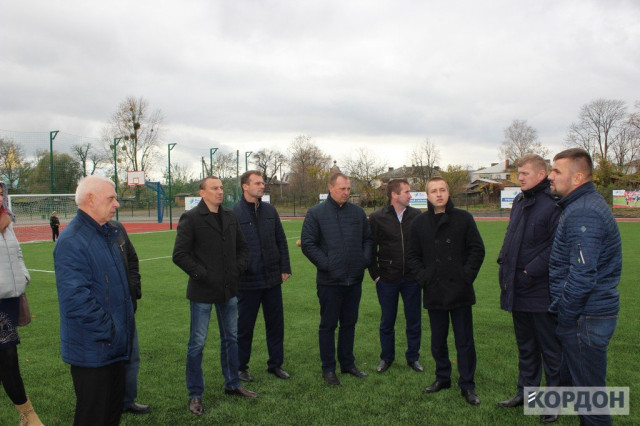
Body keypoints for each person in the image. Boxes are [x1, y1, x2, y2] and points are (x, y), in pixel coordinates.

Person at [54, 175, 135, 426]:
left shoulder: (108, 234)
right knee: (93, 417)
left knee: (111, 414)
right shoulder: (73, 240)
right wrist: (111, 330)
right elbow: (76, 300)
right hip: (94, 349)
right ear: (91, 200)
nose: (116, 204)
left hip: (113, 347)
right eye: (111, 198)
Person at [548, 148, 621, 426]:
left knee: (591, 402)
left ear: (577, 177)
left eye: (557, 171)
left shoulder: (584, 212)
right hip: (586, 315)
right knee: (584, 393)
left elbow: (582, 276)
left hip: (585, 317)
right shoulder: (581, 206)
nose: (551, 176)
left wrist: (565, 317)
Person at [173, 176, 255, 417]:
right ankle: (195, 394)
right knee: (197, 344)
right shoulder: (191, 218)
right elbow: (179, 254)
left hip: (229, 290)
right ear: (202, 192)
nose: (220, 191)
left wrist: (237, 268)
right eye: (214, 188)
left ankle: (232, 384)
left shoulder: (229, 215)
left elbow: (243, 247)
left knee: (231, 338)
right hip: (203, 291)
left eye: (221, 187)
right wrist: (202, 274)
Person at [407, 177, 485, 405]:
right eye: (434, 191)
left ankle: (467, 384)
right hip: (435, 289)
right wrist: (424, 278)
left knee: (464, 341)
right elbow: (412, 256)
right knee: (438, 340)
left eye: (442, 190)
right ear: (427, 195)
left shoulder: (464, 218)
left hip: (460, 290)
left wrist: (465, 276)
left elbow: (477, 250)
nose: (439, 194)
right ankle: (442, 377)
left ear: (448, 193)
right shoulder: (419, 223)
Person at [496, 155, 562, 424]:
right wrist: (503, 261)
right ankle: (525, 394)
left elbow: (556, 246)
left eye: (524, 173)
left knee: (550, 350)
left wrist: (529, 271)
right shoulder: (519, 201)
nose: (519, 178)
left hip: (540, 289)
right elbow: (511, 235)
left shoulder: (553, 203)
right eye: (518, 173)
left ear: (541, 174)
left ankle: (553, 402)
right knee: (526, 347)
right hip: (518, 288)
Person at [301, 173, 374, 386]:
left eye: (348, 189)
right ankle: (329, 368)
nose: (346, 192)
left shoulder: (357, 212)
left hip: (354, 280)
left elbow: (368, 239)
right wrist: (328, 265)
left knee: (349, 323)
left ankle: (347, 363)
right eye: (342, 188)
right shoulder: (316, 213)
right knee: (328, 325)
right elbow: (308, 244)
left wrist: (363, 260)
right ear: (331, 188)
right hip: (330, 282)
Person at [233, 171, 292, 382]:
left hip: (272, 279)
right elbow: (230, 248)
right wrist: (241, 269)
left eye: (262, 183)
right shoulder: (234, 213)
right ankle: (240, 367)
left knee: (276, 324)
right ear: (245, 186)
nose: (262, 186)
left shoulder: (270, 210)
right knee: (244, 327)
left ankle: (275, 364)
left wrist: (285, 267)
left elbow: (281, 240)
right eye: (257, 183)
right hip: (247, 281)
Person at [368, 179, 423, 374]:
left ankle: (413, 358)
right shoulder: (377, 218)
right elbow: (370, 248)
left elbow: (423, 247)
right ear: (394, 195)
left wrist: (419, 272)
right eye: (406, 192)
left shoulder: (417, 216)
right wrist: (376, 275)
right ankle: (386, 358)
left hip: (412, 280)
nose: (410, 195)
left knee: (414, 321)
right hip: (387, 280)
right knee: (387, 321)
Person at [0, 182, 44, 425]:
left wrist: (23, 275)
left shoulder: (7, 221)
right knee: (7, 355)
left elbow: (17, 253)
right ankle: (28, 415)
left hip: (9, 298)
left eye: (0, 193)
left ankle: (27, 415)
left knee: (6, 356)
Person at [109, 220, 150, 415]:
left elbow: (132, 259)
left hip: (126, 307)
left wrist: (134, 288)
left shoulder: (117, 228)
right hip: (106, 311)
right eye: (110, 203)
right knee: (108, 361)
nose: (115, 206)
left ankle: (128, 400)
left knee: (132, 356)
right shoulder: (85, 235)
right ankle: (110, 402)